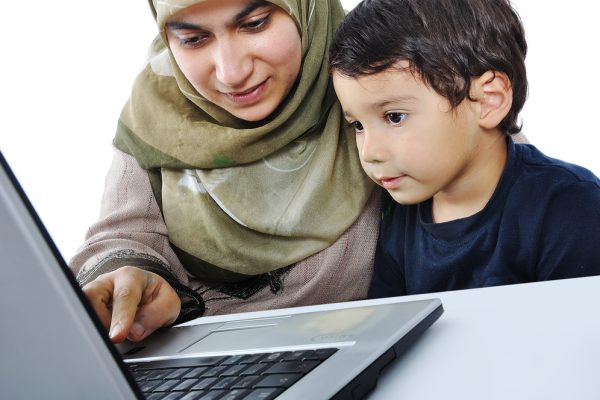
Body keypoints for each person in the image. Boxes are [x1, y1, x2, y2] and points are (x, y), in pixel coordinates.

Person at [69, 0, 382, 344]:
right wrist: (129, 281)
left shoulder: (380, 76)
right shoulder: (158, 109)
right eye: (193, 39)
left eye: (255, 24)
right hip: (196, 370)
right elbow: (126, 233)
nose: (231, 72)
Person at [328, 0, 600, 298]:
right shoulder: (399, 220)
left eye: (394, 117)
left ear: (487, 101)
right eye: (358, 125)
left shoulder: (569, 206)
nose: (369, 151)